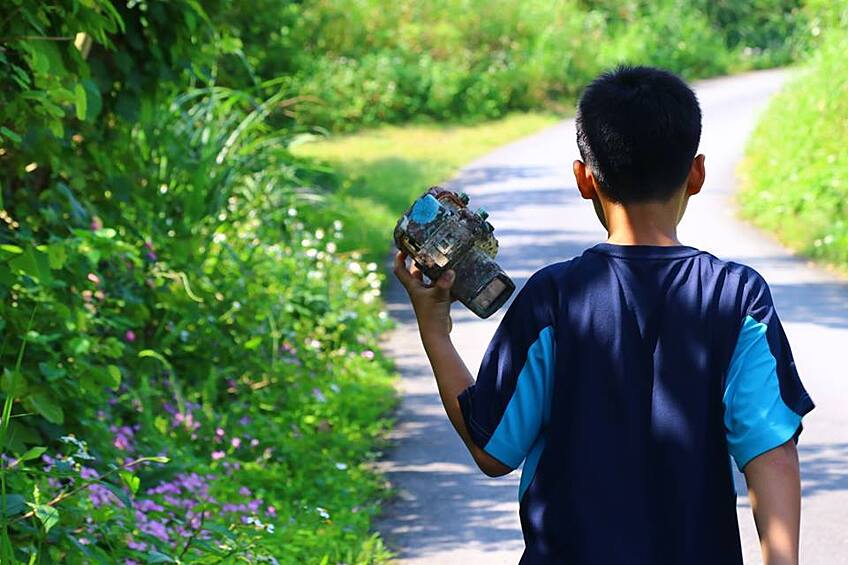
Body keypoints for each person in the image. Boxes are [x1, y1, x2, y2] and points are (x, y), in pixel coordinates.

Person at [393, 65, 814, 565]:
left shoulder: (553, 298)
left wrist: (435, 330)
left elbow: (493, 449)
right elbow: (771, 451)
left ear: (584, 179)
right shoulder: (738, 297)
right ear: (697, 174)